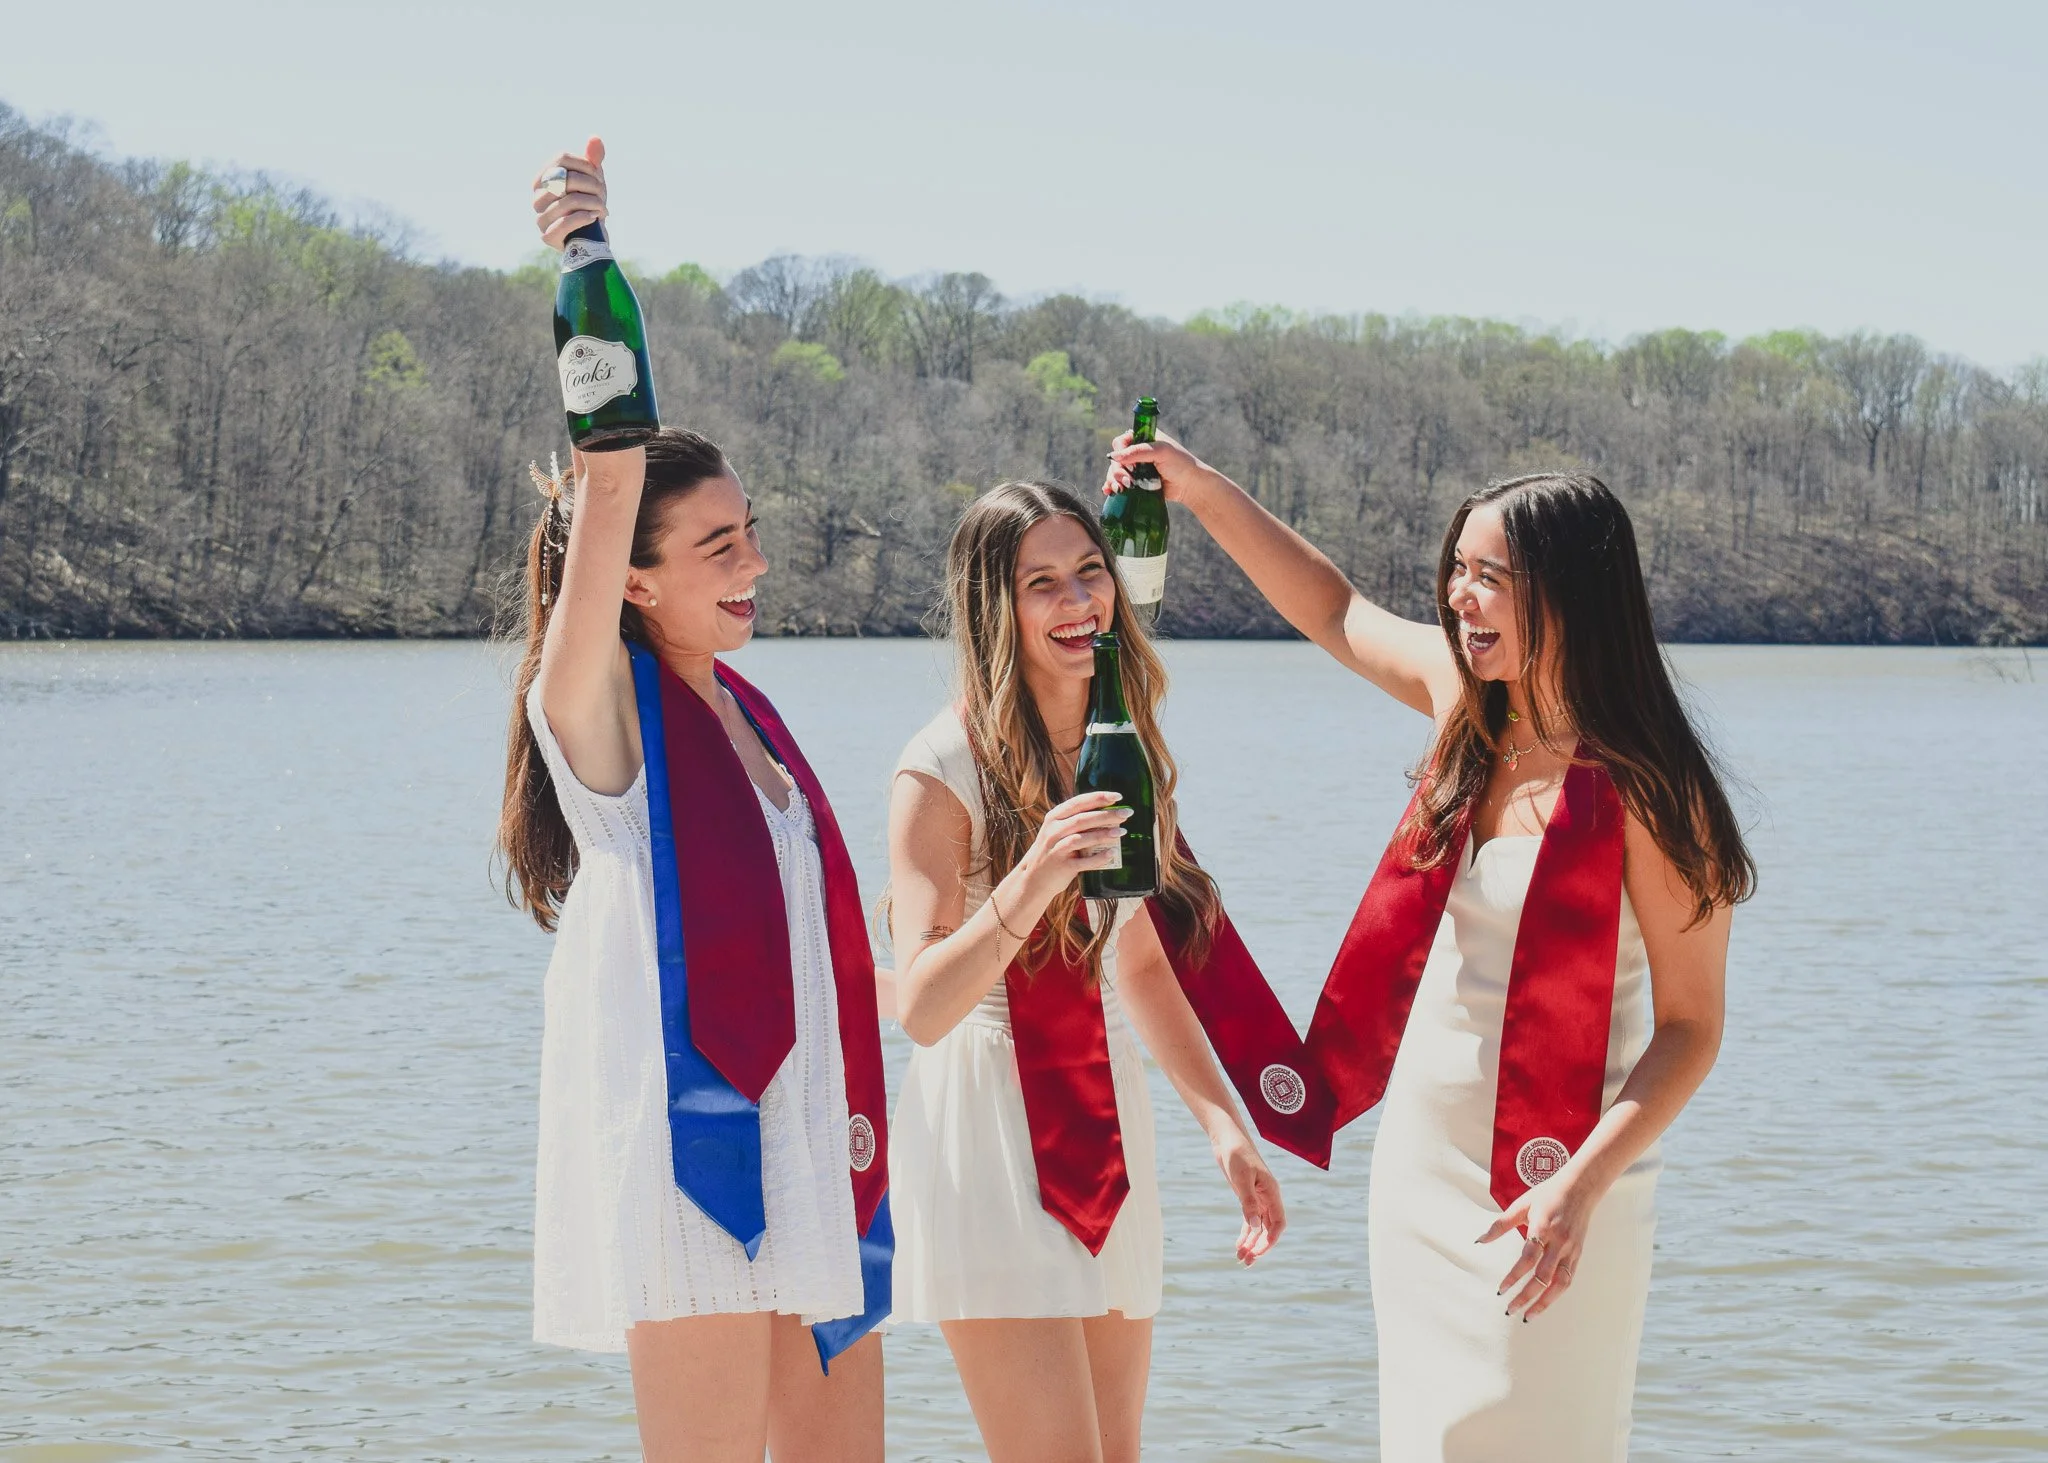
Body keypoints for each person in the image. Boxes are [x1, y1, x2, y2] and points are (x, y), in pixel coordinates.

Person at [1103, 441, 1754, 1462]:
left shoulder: (1652, 788)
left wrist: (1577, 1186)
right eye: (1456, 569)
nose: (1459, 596)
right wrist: (1194, 487)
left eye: (1488, 575)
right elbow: (1327, 607)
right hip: (1420, 1163)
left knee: (1537, 1433)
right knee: (1429, 1438)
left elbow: (1691, 1026)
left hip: (1563, 1178)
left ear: (1571, 593)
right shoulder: (1464, 703)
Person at [497, 142, 889, 1463]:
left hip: (806, 1144)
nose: (755, 561)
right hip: (685, 1155)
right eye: (719, 545)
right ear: (635, 582)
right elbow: (609, 471)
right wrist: (586, 252)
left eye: (752, 530)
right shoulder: (599, 712)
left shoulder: (755, 719)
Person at [885, 480, 1295, 1463]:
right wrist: (1033, 871)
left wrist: (1222, 1124)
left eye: (1088, 572)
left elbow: (1142, 963)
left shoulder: (1124, 744)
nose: (1077, 602)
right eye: (1040, 583)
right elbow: (922, 1006)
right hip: (987, 1121)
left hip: (1105, 1116)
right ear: (994, 604)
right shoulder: (936, 767)